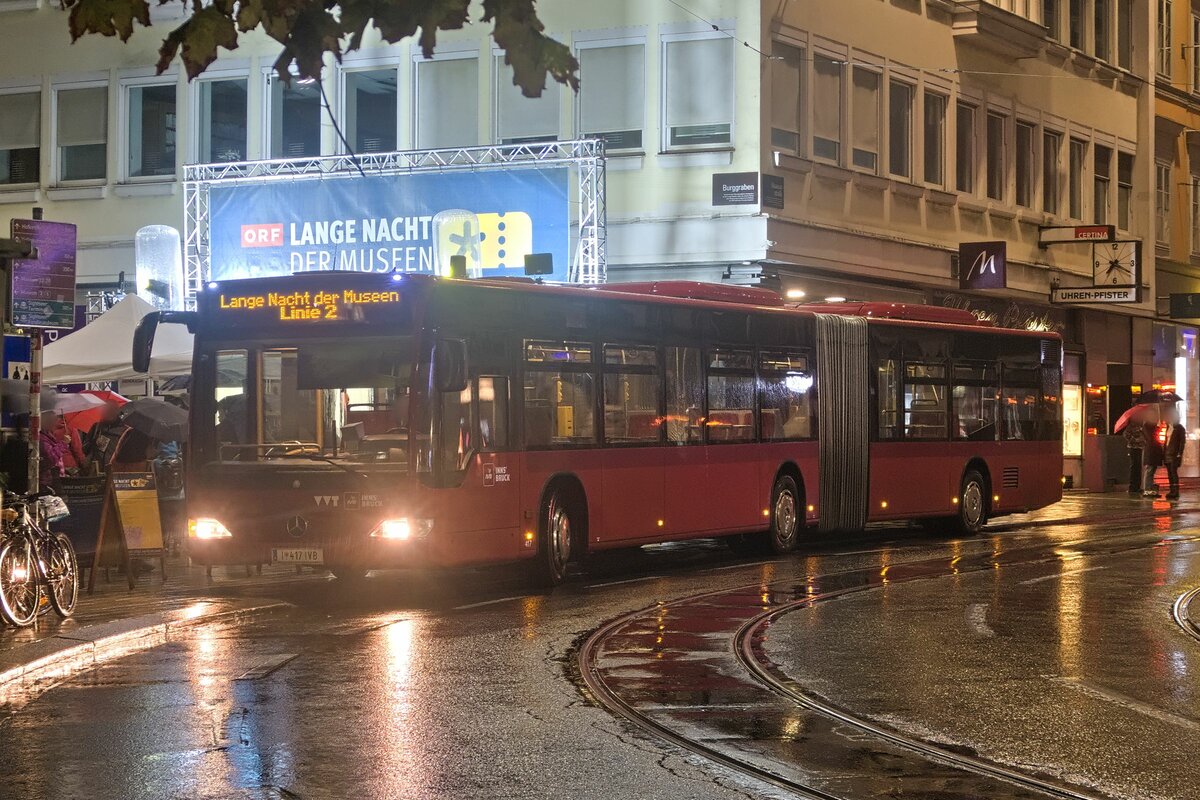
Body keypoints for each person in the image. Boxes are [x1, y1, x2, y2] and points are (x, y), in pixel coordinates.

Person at [38, 410, 68, 490]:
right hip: (47, 482)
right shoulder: (41, 438)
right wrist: (64, 443)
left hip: (54, 479)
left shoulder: (48, 434)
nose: (54, 423)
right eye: (52, 420)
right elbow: (51, 458)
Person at [1142, 409, 1166, 498]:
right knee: (1149, 470)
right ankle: (1147, 489)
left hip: (1154, 452)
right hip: (1151, 451)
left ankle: (1150, 489)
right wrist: (1156, 431)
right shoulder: (1147, 426)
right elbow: (1151, 439)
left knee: (1151, 471)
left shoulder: (1153, 427)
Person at [1165, 411, 1187, 501]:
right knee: (1169, 473)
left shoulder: (1180, 428)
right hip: (1167, 452)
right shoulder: (1168, 427)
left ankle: (1175, 491)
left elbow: (1182, 442)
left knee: (1173, 472)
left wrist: (1179, 453)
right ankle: (1171, 490)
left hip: (1174, 454)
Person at [1123, 414, 1146, 495]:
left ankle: (1138, 486)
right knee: (1134, 466)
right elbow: (1126, 435)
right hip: (1133, 448)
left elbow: (1144, 437)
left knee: (1139, 467)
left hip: (1140, 448)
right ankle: (1133, 486)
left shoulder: (1141, 427)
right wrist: (1135, 439)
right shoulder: (1131, 427)